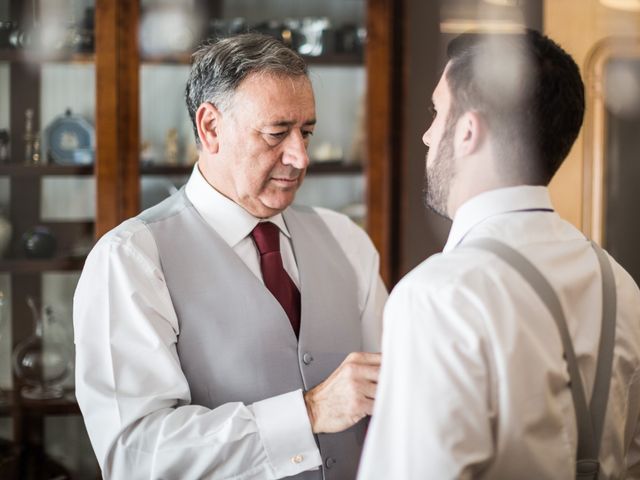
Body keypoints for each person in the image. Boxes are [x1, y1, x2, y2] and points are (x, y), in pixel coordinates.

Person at [74, 33, 387, 480]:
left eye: (307, 133)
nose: (300, 157)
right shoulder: (130, 260)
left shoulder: (345, 239)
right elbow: (135, 454)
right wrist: (309, 413)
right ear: (210, 128)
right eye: (277, 133)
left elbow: (395, 392)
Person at [358, 29, 640, 479]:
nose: (429, 137)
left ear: (469, 131)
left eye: (437, 112)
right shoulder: (619, 284)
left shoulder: (439, 296)